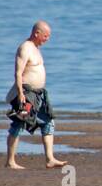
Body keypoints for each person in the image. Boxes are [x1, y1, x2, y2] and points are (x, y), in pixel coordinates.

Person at [4, 20, 66, 170]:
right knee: (19, 124)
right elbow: (18, 73)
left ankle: (50, 159)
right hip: (26, 93)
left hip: (38, 95)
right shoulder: (25, 48)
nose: (47, 39)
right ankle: (10, 161)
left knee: (48, 122)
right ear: (37, 33)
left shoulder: (36, 48)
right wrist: (20, 94)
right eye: (46, 36)